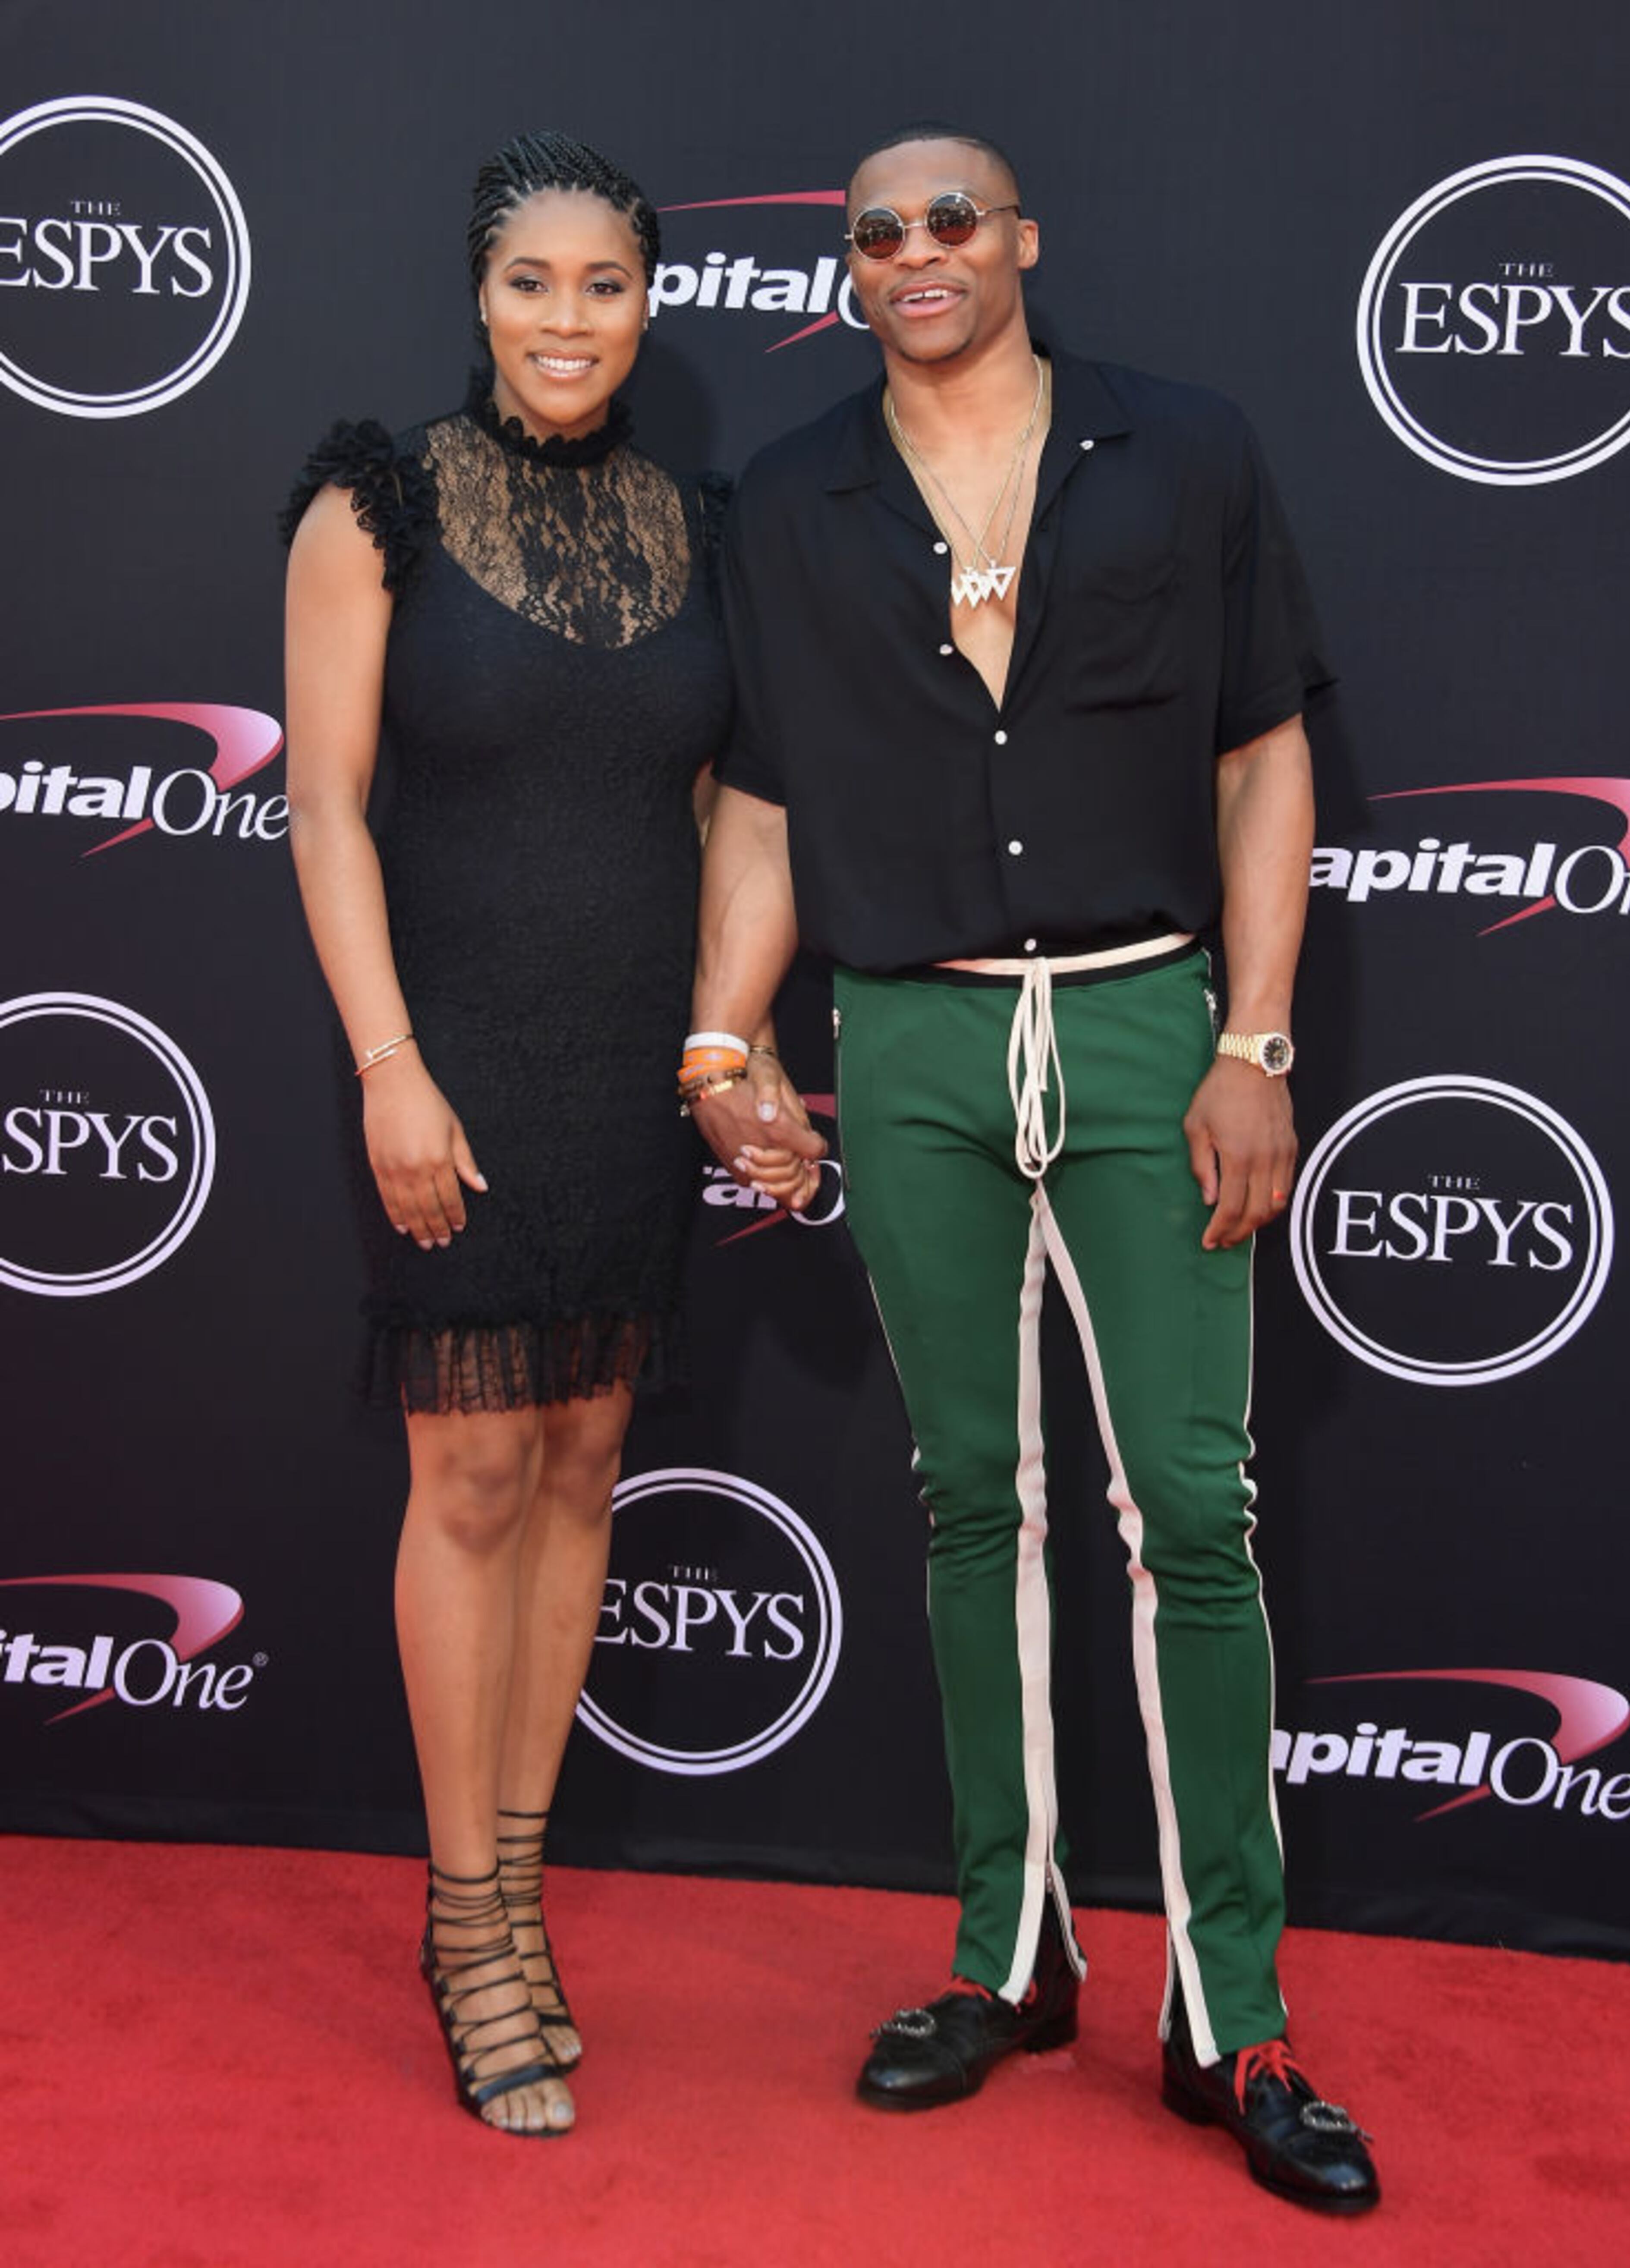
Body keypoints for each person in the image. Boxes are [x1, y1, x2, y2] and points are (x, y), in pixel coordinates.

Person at [688, 124, 1380, 2212]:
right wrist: (727, 1038)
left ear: (1022, 242)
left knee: (1191, 1505)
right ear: (849, 270)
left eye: (950, 221)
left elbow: (1267, 750)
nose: (915, 252)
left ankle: (1231, 2013)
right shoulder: (792, 501)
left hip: (1157, 1014)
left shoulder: (1183, 448)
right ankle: (1009, 1954)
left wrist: (1258, 1035)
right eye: (876, 232)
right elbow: (762, 802)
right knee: (966, 1502)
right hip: (903, 1032)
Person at [283, 130, 801, 2135]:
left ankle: (524, 1878)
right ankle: (468, 1917)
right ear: (478, 297)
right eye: (531, 282)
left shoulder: (705, 522)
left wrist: (723, 1048)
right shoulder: (374, 499)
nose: (567, 318)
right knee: (476, 1467)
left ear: (651, 302)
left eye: (604, 284)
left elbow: (716, 812)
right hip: (455, 1044)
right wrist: (386, 1060)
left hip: (622, 1059)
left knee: (586, 1450)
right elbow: (327, 802)